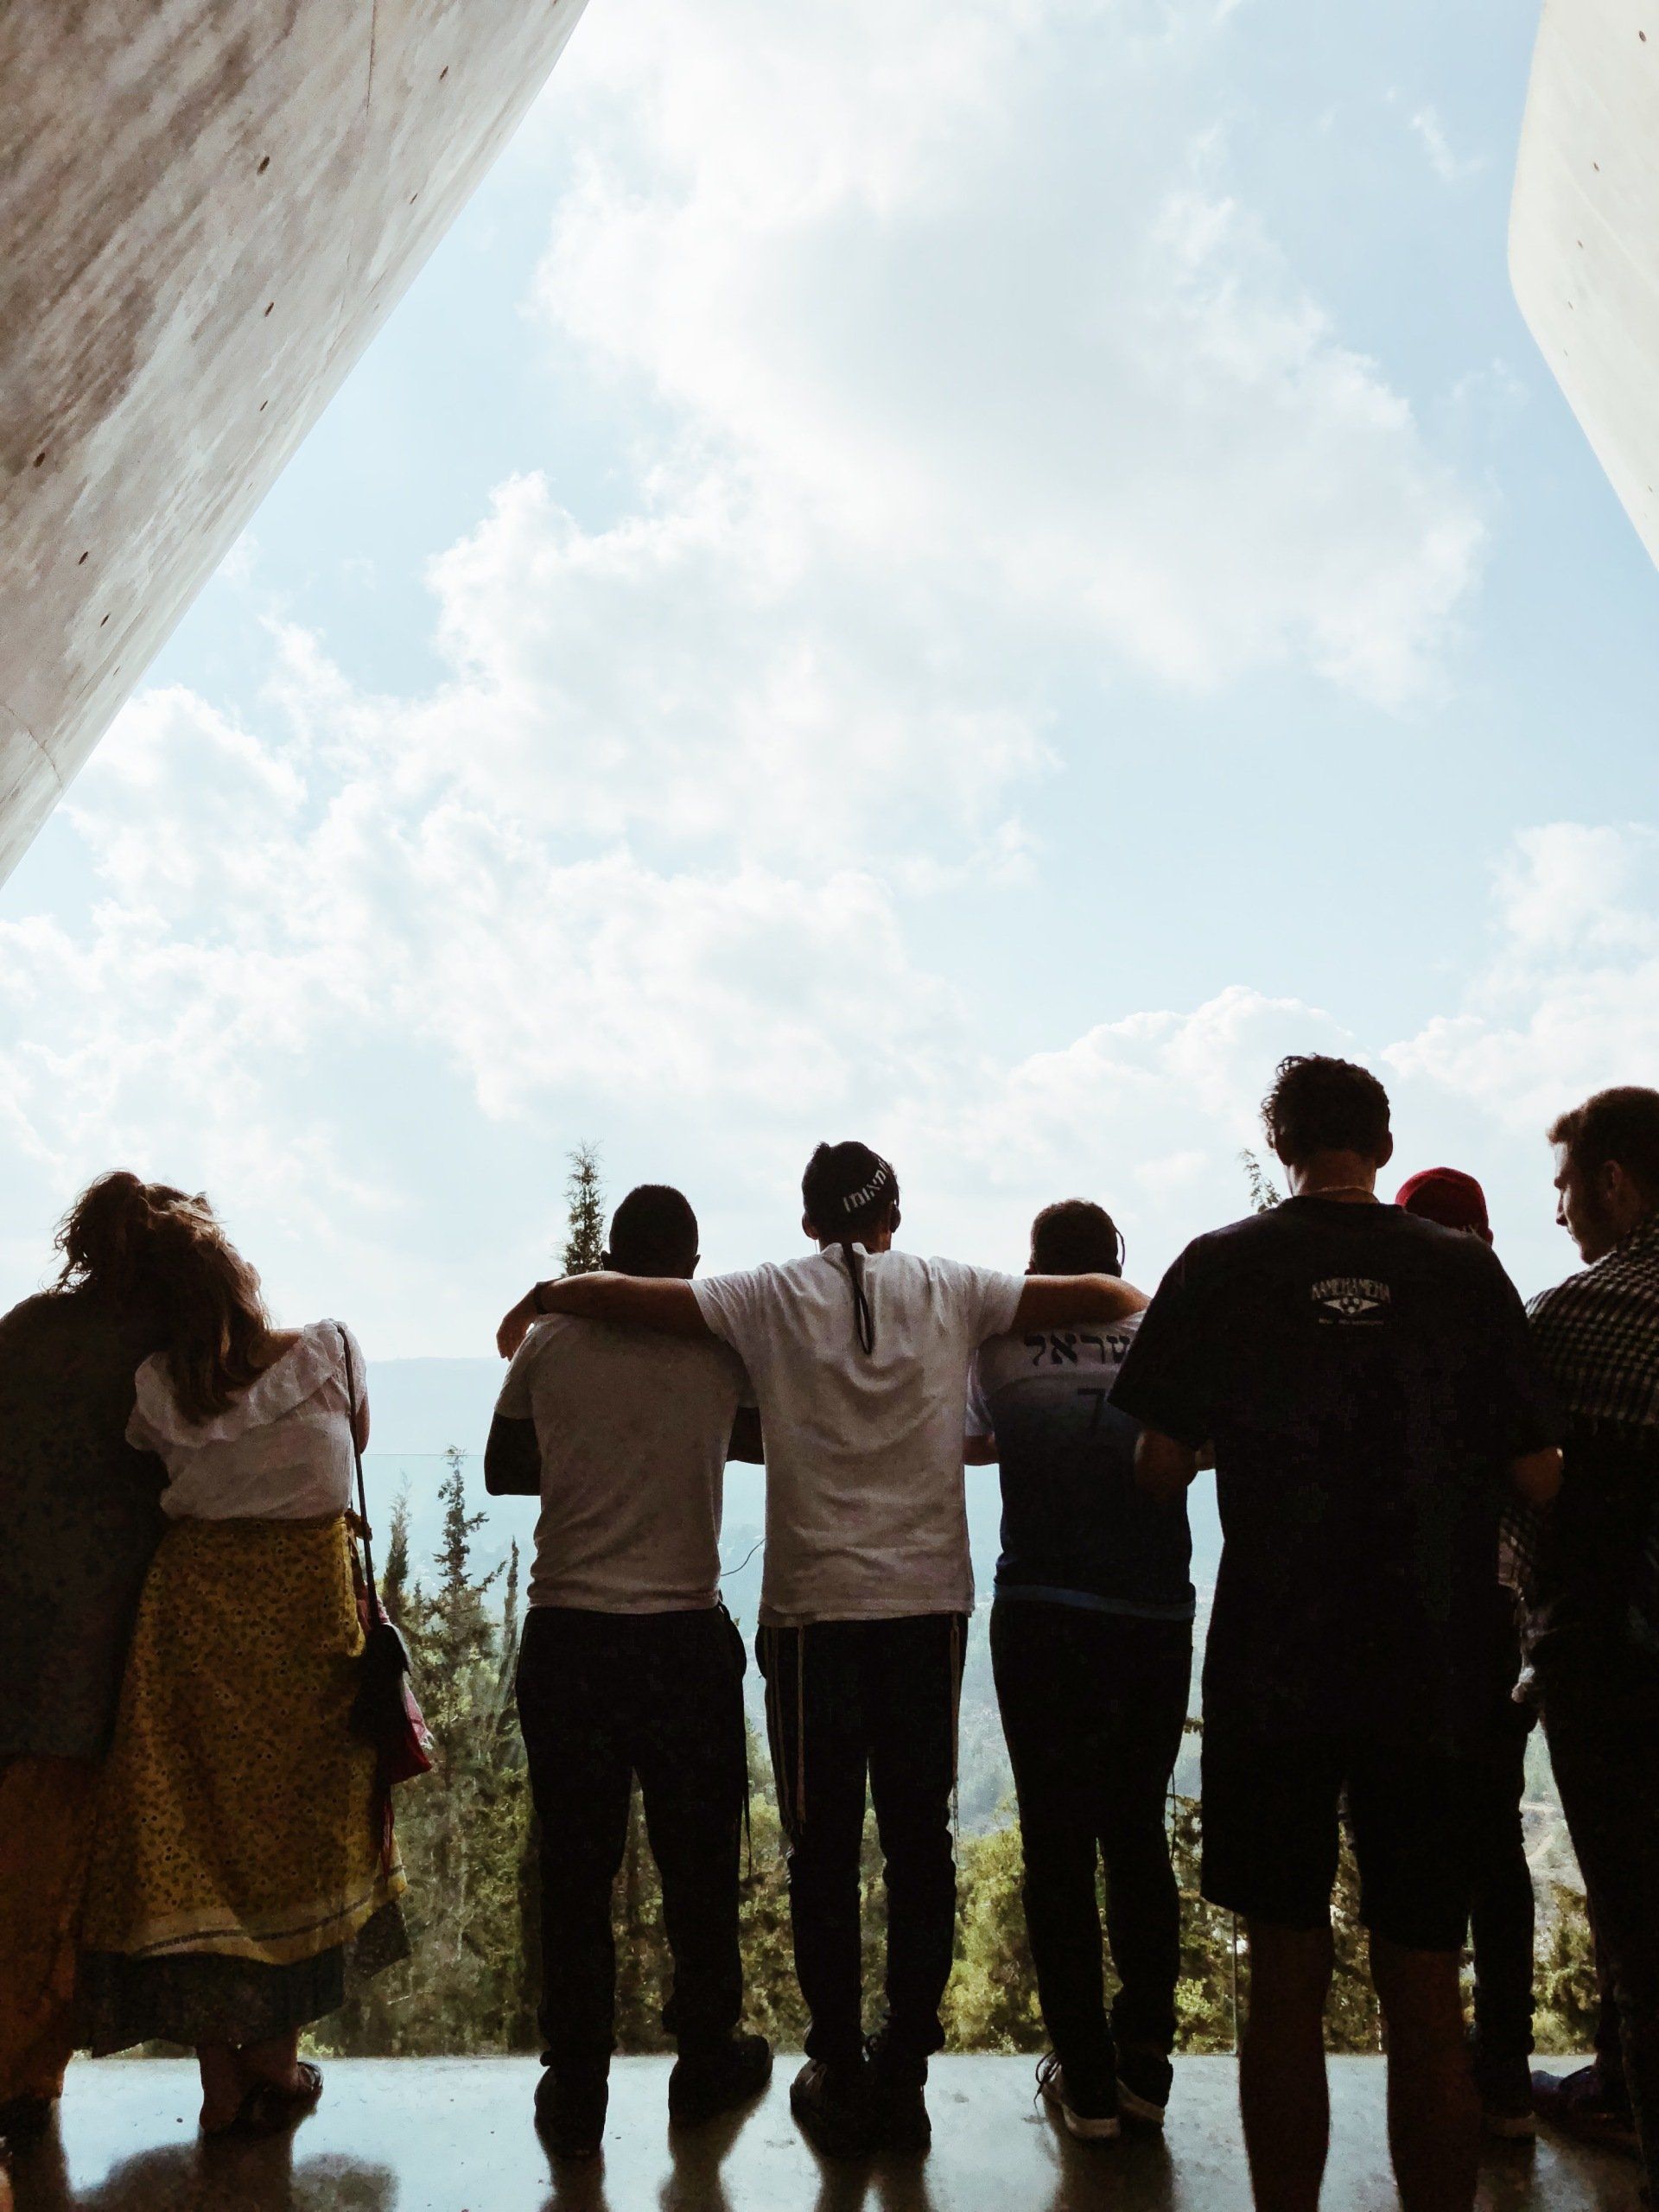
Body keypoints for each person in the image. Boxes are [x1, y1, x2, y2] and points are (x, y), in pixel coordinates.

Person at [498, 1141, 1146, 2158]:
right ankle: (898, 2074)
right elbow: (1107, 1291)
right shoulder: (955, 1287)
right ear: (896, 1216)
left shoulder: (760, 1298)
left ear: (808, 1223)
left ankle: (827, 2066)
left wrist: (550, 1294)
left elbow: (633, 1310)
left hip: (801, 1618)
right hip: (921, 1608)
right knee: (916, 1844)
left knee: (814, 1852)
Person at [1113, 1056, 1561, 2212]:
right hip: (1436, 1660)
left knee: (1283, 1978)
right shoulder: (1465, 1272)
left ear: (1282, 1147)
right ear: (1384, 1143)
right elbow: (1540, 1473)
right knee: (1427, 1983)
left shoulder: (1218, 1265)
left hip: (1275, 1660)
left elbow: (1157, 1464)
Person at [79, 1194, 409, 2137]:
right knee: (298, 1840)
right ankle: (275, 2062)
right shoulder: (331, 1352)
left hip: (192, 1628)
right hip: (307, 1628)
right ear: (242, 1279)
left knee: (199, 1844)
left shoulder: (155, 1390)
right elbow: (355, 1447)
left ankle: (223, 2084)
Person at [486, 1184, 772, 2159]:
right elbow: (762, 1437)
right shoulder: (717, 1349)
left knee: (574, 1873)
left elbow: (502, 1468)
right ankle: (705, 2062)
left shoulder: (552, 1341)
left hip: (569, 1635)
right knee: (701, 1869)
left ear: (606, 1260)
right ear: (689, 1265)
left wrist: (586, 1456)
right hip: (682, 1640)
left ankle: (577, 2086)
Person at [965, 1198, 1192, 2142]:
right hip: (1152, 1614)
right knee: (1137, 1834)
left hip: (1043, 1613)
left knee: (1055, 1844)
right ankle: (1145, 2062)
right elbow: (1194, 1451)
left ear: (1037, 1268)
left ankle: (1086, 2081)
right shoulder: (1166, 1336)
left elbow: (969, 1441)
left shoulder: (1000, 1345)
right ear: (1116, 1259)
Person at [0, 1174, 178, 2147]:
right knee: (54, 1874)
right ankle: (22, 2078)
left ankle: (27, 2072)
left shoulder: (27, 1328)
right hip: (97, 1645)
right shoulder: (162, 1343)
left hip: (16, 1624)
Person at [1522, 1087, 1659, 2199]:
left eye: (1568, 1186)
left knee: (1641, 1930)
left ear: (1614, 1181)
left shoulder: (1572, 1318)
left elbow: (1514, 1489)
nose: (1560, 1209)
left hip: (1613, 1666)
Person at [1395, 1166, 1540, 2139]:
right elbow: (1541, 1476)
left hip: (1401, 1618)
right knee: (1493, 1838)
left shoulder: (1390, 1340)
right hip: (1498, 1612)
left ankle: (1434, 2065)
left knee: (1410, 1841)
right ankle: (1503, 2072)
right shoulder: (1510, 1331)